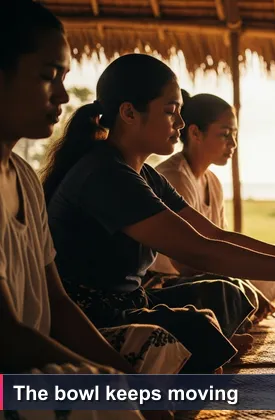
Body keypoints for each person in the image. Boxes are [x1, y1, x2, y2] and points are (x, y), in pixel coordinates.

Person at [41, 53, 275, 374]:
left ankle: (202, 351)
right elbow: (197, 252)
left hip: (130, 305)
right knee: (187, 332)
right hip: (89, 321)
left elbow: (213, 235)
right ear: (128, 112)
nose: (180, 124)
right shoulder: (105, 175)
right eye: (171, 112)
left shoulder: (142, 173)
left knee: (206, 315)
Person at [0, 2, 167, 420]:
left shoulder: (21, 176)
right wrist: (111, 383)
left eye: (64, 78)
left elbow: (56, 302)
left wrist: (118, 375)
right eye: (46, 76)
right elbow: (6, 337)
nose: (61, 95)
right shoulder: (101, 172)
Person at [149, 90, 275, 323]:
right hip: (167, 279)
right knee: (228, 292)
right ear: (195, 133)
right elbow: (187, 263)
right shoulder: (175, 177)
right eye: (225, 134)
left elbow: (222, 241)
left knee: (274, 281)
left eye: (235, 134)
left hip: (203, 270)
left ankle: (238, 312)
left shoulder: (213, 181)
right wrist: (242, 284)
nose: (233, 144)